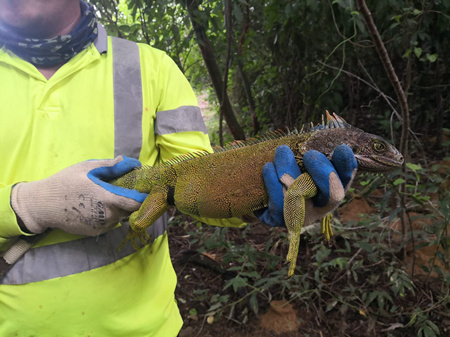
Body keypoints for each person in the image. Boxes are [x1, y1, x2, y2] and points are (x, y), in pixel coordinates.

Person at [0, 0, 357, 336]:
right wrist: (26, 205)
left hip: (147, 328)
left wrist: (268, 202)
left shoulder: (151, 66)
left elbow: (204, 181)